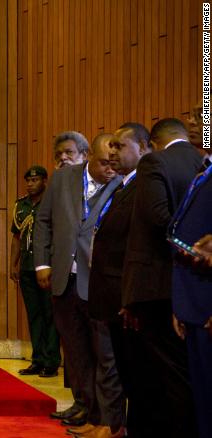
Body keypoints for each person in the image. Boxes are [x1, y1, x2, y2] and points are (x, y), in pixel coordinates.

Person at [120, 116, 202, 437]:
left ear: (152, 143)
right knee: (188, 373)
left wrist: (189, 247)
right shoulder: (200, 163)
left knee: (163, 378)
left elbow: (157, 218)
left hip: (156, 285)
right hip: (192, 284)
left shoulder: (155, 161)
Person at [33, 133, 120, 428]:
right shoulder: (62, 178)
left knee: (102, 352)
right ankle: (81, 403)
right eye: (105, 163)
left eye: (114, 162)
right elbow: (43, 220)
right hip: (62, 278)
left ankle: (99, 416)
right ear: (90, 158)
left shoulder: (120, 184)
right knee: (74, 349)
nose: (111, 167)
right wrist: (42, 263)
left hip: (98, 283)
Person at [83, 124, 153, 438]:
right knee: (116, 366)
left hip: (124, 295)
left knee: (129, 371)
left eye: (119, 146)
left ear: (144, 147)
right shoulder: (121, 186)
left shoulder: (143, 187)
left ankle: (120, 427)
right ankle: (114, 425)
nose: (113, 152)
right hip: (108, 294)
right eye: (111, 146)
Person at [168, 119, 212, 438]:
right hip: (193, 303)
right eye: (196, 116)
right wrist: (179, 303)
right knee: (202, 400)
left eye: (205, 116)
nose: (197, 123)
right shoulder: (203, 170)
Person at [10, 165, 60, 378]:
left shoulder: (52, 203)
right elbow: (16, 237)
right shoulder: (20, 205)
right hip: (27, 268)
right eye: (28, 181)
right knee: (34, 316)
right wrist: (14, 264)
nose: (31, 184)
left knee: (51, 315)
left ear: (44, 181)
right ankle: (37, 359)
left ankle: (51, 361)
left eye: (35, 180)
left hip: (47, 268)